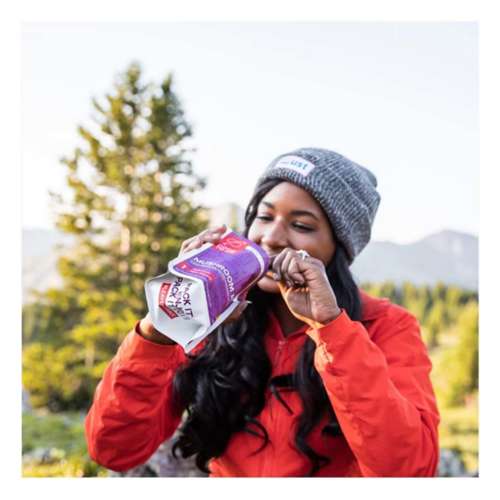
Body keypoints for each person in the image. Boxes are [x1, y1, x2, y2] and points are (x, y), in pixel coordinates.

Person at [85, 147, 440, 477]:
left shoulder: (384, 326)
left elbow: (408, 470)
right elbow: (113, 449)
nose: (271, 237)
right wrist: (163, 326)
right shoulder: (212, 315)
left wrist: (331, 328)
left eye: (301, 225)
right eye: (263, 216)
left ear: (339, 249)